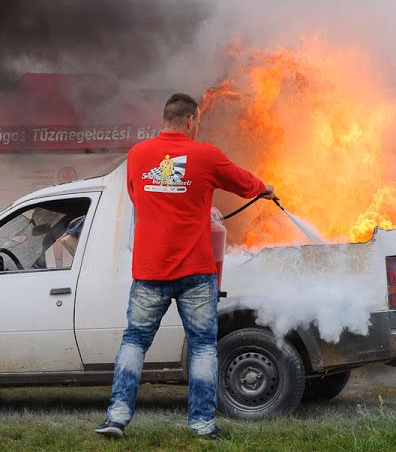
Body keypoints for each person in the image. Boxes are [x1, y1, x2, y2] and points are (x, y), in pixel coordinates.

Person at [95, 93, 275, 440]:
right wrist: (265, 189)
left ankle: (116, 418)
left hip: (150, 272)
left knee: (134, 341)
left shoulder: (138, 155)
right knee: (204, 346)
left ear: (165, 119)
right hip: (195, 271)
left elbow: (139, 196)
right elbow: (242, 182)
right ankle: (202, 424)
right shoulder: (205, 155)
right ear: (191, 120)